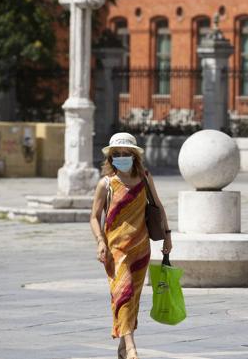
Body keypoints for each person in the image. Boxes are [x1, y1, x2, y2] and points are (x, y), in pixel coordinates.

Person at [89, 132, 172, 359]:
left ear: (135, 156)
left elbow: (158, 206)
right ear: (111, 157)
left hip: (140, 249)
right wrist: (100, 243)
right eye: (117, 154)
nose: (122, 157)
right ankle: (132, 347)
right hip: (115, 251)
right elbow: (94, 217)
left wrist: (168, 236)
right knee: (122, 294)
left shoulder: (144, 177)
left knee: (132, 297)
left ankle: (122, 348)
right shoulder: (106, 184)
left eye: (126, 153)